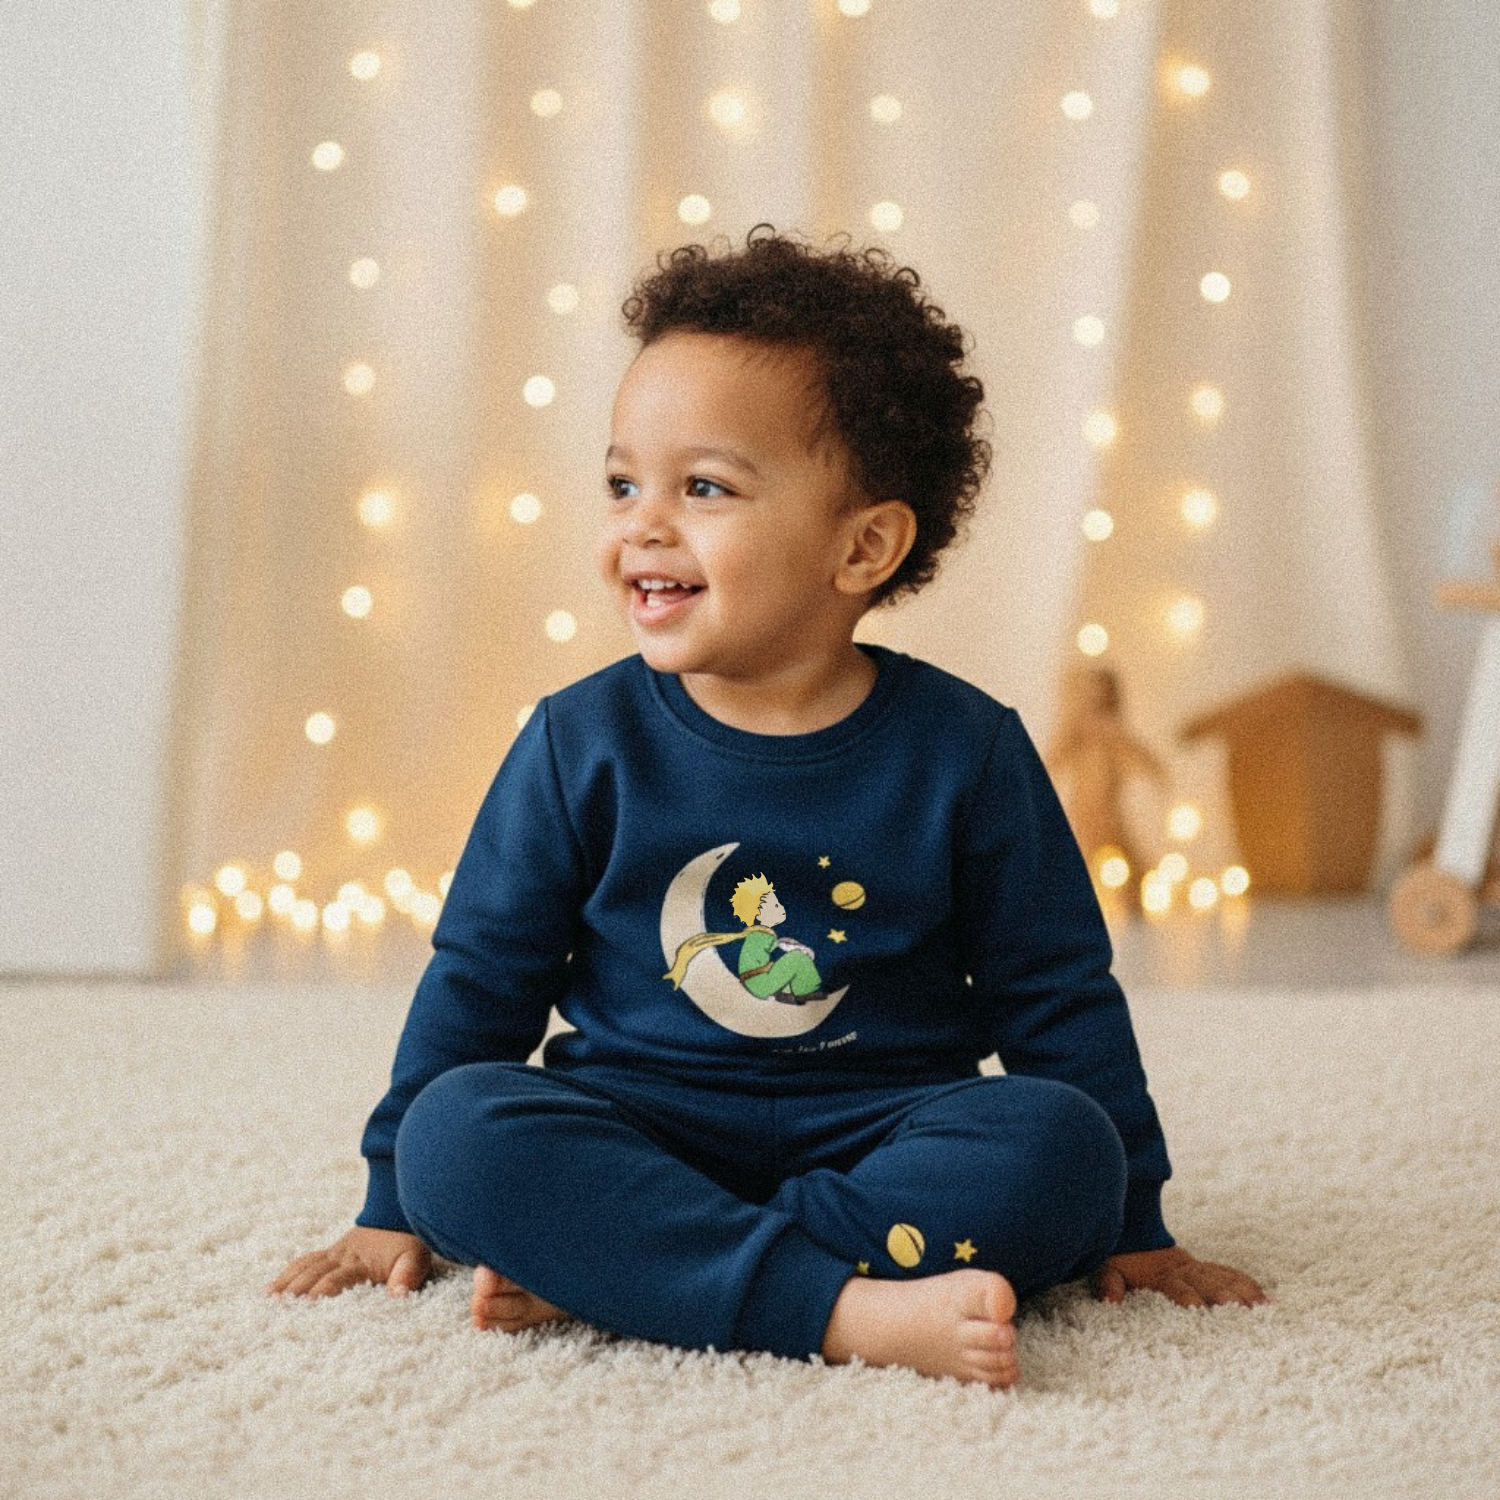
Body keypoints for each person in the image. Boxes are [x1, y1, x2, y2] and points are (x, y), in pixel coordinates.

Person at [266, 224, 1268, 1388]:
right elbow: (481, 977)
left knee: (1060, 1149)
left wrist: (1136, 1218)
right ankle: (844, 1310)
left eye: (703, 488)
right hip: (638, 1125)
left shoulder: (968, 752)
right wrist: (391, 1199)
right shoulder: (577, 742)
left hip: (883, 1132)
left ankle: (637, 1271)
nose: (643, 523)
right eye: (623, 484)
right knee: (457, 1134)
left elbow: (1056, 994)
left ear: (863, 546)